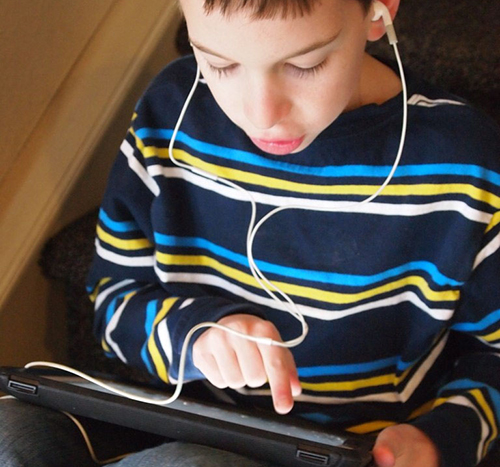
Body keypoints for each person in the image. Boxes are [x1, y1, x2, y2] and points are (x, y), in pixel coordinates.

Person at [1, 0, 499, 466]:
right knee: (12, 432)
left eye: (305, 65)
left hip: (348, 448)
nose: (262, 114)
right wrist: (194, 337)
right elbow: (113, 301)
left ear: (377, 11)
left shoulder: (462, 166)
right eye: (219, 64)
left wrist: (440, 437)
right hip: (183, 421)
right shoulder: (170, 114)